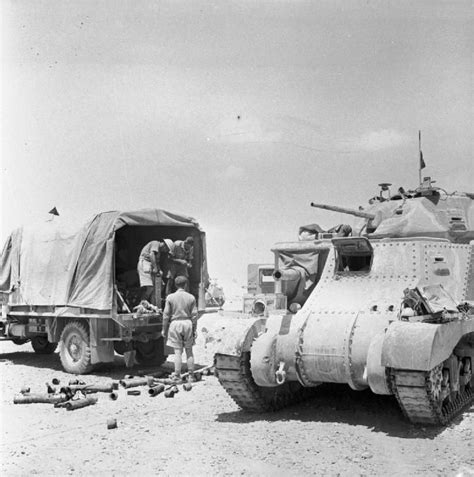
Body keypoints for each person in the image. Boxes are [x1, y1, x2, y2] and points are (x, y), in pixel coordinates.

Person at [162, 275, 198, 382]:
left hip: (175, 324)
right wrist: (194, 329)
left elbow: (166, 315)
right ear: (186, 284)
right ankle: (191, 376)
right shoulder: (191, 297)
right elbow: (194, 316)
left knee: (177, 352)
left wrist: (164, 329)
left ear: (175, 285)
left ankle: (177, 375)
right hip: (187, 323)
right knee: (189, 351)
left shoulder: (170, 297)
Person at [137, 239, 169, 304]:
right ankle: (142, 303)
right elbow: (152, 255)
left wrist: (159, 270)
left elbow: (156, 262)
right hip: (145, 263)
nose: (165, 251)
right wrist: (155, 268)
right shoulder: (155, 243)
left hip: (151, 265)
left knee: (161, 285)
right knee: (149, 287)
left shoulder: (158, 252)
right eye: (166, 249)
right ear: (164, 245)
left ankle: (153, 303)